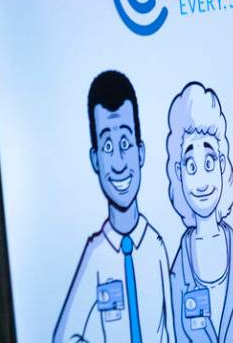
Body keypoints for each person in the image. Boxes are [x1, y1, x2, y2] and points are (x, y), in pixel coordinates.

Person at [55, 70, 174, 343]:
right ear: (95, 159)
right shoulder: (95, 254)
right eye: (108, 146)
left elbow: (170, 334)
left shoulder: (156, 246)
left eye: (125, 143)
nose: (119, 162)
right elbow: (65, 336)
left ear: (140, 151)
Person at [165, 82, 233, 342]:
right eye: (191, 165)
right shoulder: (177, 276)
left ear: (222, 164)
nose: (201, 181)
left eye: (209, 163)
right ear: (179, 173)